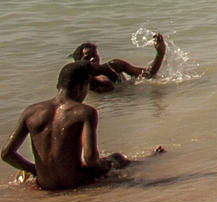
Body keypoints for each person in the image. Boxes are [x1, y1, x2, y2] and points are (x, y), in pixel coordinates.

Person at [3, 62, 156, 191]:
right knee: (117, 158)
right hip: (75, 183)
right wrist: (103, 164)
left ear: (58, 85)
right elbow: (90, 159)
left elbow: (6, 154)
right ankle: (152, 157)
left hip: (46, 184)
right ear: (82, 86)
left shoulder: (31, 112)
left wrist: (34, 170)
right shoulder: (84, 112)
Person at [69, 36, 166, 93]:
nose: (93, 58)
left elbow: (148, 74)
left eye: (94, 55)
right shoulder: (80, 82)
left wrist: (160, 53)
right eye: (87, 58)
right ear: (78, 63)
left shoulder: (114, 66)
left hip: (131, 97)